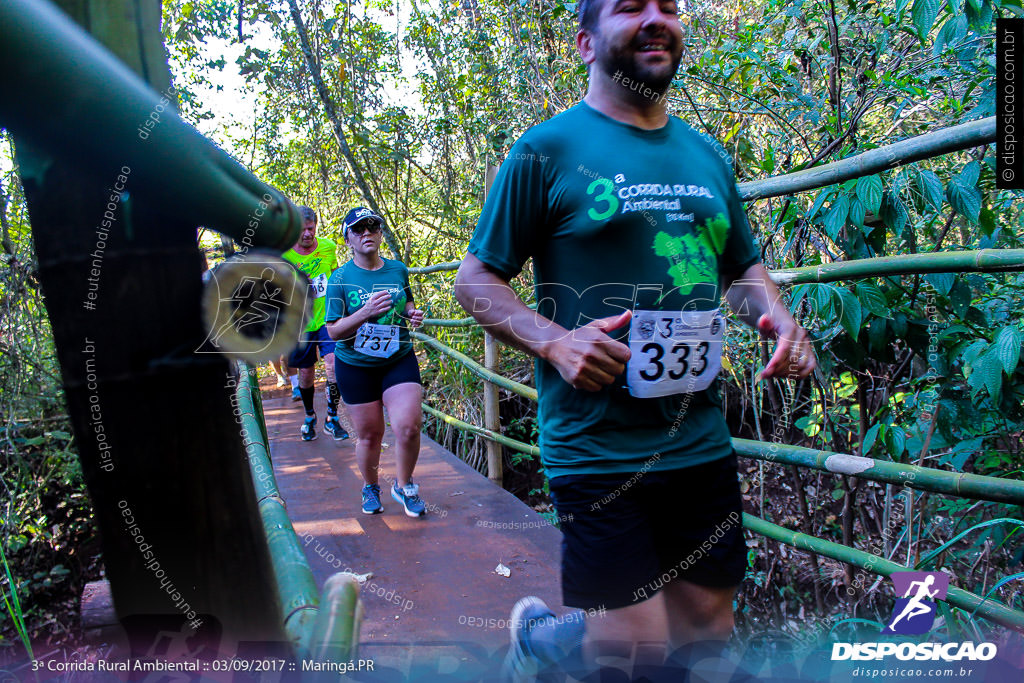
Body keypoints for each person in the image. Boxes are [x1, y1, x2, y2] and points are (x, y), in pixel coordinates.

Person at [454, 0, 817, 678]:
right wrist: (556, 342)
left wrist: (779, 317)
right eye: (631, 7)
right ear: (586, 43)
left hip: (697, 435)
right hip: (597, 444)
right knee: (639, 655)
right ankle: (560, 643)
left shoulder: (706, 154)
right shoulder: (546, 151)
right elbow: (475, 281)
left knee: (705, 629)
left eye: (669, 7)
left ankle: (548, 641)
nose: (657, 18)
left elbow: (741, 268)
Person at [325, 208, 428, 518]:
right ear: (348, 240)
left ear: (381, 234)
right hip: (355, 364)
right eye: (358, 229)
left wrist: (413, 314)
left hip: (397, 358)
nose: (367, 233)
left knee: (409, 426)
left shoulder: (397, 269)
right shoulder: (339, 278)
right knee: (370, 435)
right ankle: (370, 486)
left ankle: (404, 484)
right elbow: (333, 330)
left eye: (373, 227)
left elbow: (407, 301)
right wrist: (364, 313)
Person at [282, 206, 349, 441]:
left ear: (316, 226)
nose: (307, 234)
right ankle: (310, 416)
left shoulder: (329, 247)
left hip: (328, 318)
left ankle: (333, 418)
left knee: (333, 364)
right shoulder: (284, 255)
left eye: (310, 228)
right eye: (302, 230)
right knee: (306, 372)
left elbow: (337, 276)